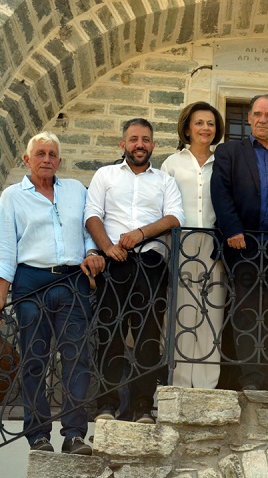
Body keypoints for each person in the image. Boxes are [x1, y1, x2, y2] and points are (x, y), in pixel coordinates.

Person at [0, 131, 105, 455]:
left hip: (72, 281)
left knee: (77, 357)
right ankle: (38, 435)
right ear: (27, 159)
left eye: (52, 154)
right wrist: (0, 296)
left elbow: (88, 230)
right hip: (31, 282)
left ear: (59, 161)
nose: (47, 159)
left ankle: (74, 435)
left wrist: (92, 251)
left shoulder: (76, 190)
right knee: (34, 359)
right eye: (40, 154)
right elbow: (6, 250)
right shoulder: (12, 196)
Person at [85, 118, 184, 423]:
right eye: (133, 139)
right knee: (109, 334)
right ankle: (106, 405)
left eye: (145, 140)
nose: (139, 145)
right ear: (123, 144)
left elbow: (174, 217)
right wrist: (106, 247)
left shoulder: (164, 180)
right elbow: (92, 215)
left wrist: (141, 234)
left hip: (151, 263)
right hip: (114, 264)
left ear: (153, 145)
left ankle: (143, 406)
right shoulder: (105, 175)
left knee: (148, 338)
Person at [211, 94, 268, 391]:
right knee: (245, 312)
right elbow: (220, 192)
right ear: (248, 118)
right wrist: (232, 230)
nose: (263, 119)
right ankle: (250, 377)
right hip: (243, 244)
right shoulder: (229, 152)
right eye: (258, 114)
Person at [161, 102, 227, 389]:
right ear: (187, 128)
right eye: (199, 122)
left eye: (210, 123)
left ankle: (205, 386)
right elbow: (162, 206)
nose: (205, 128)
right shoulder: (172, 164)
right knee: (181, 311)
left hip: (213, 242)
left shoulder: (223, 162)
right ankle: (177, 384)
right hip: (181, 241)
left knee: (212, 311)